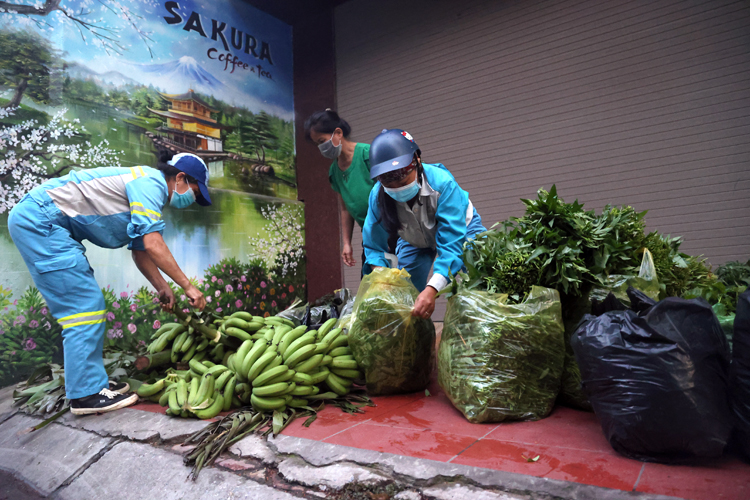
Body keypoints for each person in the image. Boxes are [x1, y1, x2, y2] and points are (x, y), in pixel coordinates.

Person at [7, 151, 210, 415]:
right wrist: (188, 286)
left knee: (87, 305)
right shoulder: (151, 184)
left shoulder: (148, 188)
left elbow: (141, 249)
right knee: (83, 307)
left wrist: (162, 286)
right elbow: (153, 243)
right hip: (40, 221)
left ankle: (92, 384)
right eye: (195, 191)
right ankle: (86, 395)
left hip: (47, 223)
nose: (193, 199)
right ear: (180, 178)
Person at [362, 129, 486, 319]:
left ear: (417, 161)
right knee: (406, 293)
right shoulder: (377, 196)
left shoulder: (443, 184)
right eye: (390, 186)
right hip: (414, 240)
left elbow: (452, 245)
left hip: (462, 231)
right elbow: (373, 246)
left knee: (482, 277)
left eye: (403, 181)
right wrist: (383, 279)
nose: (398, 189)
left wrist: (432, 289)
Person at [304, 109, 396, 273]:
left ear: (338, 133)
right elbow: (345, 208)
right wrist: (346, 242)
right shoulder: (334, 172)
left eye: (322, 141)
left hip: (392, 230)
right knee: (372, 285)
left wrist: (390, 233)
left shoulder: (369, 154)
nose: (321, 148)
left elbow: (392, 191)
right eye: (317, 144)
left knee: (397, 283)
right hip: (369, 235)